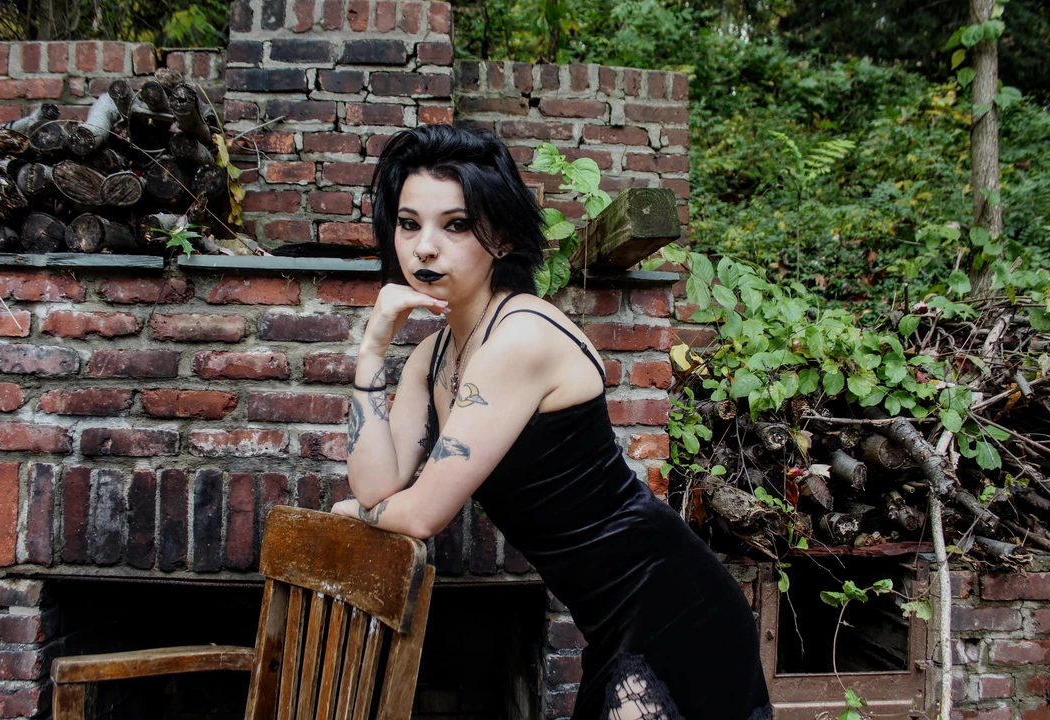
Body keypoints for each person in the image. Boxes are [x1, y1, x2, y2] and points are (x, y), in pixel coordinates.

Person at [330, 124, 772, 720]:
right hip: (612, 619)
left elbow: (419, 515)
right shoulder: (430, 359)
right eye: (409, 224)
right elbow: (379, 487)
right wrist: (372, 349)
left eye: (455, 225)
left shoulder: (521, 337)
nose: (425, 248)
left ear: (502, 238)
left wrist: (360, 515)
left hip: (674, 604)